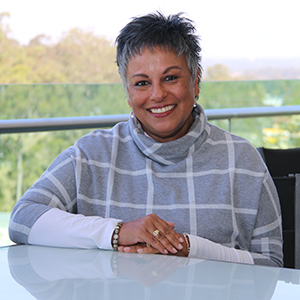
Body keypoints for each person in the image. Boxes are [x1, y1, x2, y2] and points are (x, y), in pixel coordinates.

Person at [9, 12, 283, 267]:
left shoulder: (243, 161)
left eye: (171, 78)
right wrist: (117, 232)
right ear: (127, 93)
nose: (157, 95)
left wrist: (188, 249)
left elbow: (272, 266)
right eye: (142, 83)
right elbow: (23, 220)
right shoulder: (91, 154)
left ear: (196, 81)